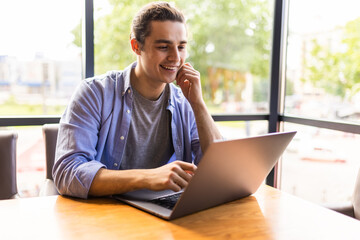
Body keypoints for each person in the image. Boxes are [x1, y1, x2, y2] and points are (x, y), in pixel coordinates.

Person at [53, 1, 222, 199]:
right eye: (163, 46)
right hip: (106, 213)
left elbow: (219, 169)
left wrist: (199, 104)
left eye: (181, 46)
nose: (176, 57)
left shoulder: (185, 102)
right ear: (136, 46)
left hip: (164, 210)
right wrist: (147, 178)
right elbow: (67, 173)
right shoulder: (94, 93)